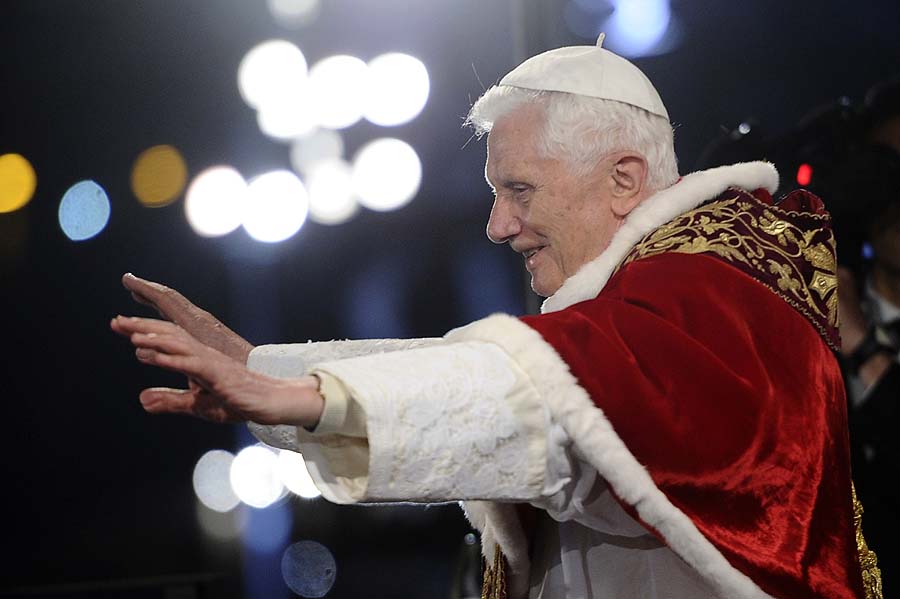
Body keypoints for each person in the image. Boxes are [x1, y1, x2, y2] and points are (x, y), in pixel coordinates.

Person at [112, 35, 878, 599]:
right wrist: (270, 371)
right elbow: (542, 369)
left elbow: (549, 395)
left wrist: (315, 395)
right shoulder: (662, 302)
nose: (496, 225)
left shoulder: (713, 300)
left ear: (624, 179)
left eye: (519, 190)